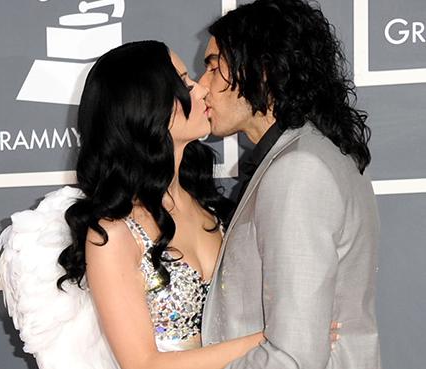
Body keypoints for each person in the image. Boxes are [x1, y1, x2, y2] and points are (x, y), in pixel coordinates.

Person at [56, 40, 266, 369]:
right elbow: (143, 364)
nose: (200, 89)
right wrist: (267, 340)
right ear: (147, 107)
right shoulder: (112, 234)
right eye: (184, 82)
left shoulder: (211, 206)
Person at [198, 1, 381, 368]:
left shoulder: (299, 171)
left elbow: (293, 358)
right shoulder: (311, 155)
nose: (202, 87)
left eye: (215, 68)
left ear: (262, 71)